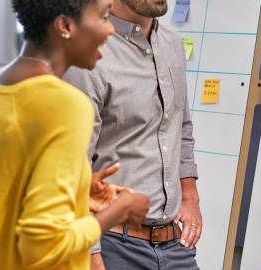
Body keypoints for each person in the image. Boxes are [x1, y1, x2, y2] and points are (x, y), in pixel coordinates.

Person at [0, 0, 150, 269]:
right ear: (65, 25)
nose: (110, 29)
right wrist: (118, 212)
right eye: (103, 16)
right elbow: (44, 246)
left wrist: (78, 190)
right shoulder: (65, 104)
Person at [63, 0, 202, 269]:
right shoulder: (87, 53)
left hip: (175, 245)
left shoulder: (172, 43)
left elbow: (181, 127)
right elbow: (71, 165)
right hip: (113, 246)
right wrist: (88, 253)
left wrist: (190, 196)